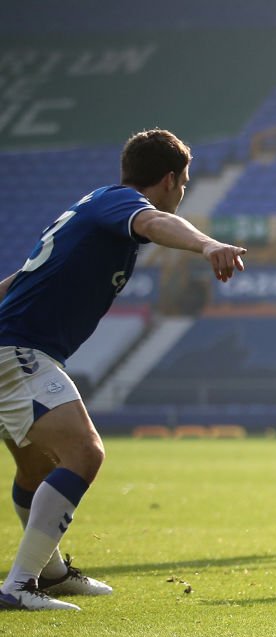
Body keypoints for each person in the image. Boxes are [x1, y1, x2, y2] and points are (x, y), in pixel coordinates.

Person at [0, 129, 247, 610]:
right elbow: (153, 223)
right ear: (170, 179)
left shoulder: (94, 207)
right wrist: (207, 245)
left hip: (14, 347)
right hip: (19, 350)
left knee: (36, 467)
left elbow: (23, 276)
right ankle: (19, 585)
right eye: (185, 182)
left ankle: (47, 575)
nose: (183, 191)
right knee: (85, 453)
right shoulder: (121, 203)